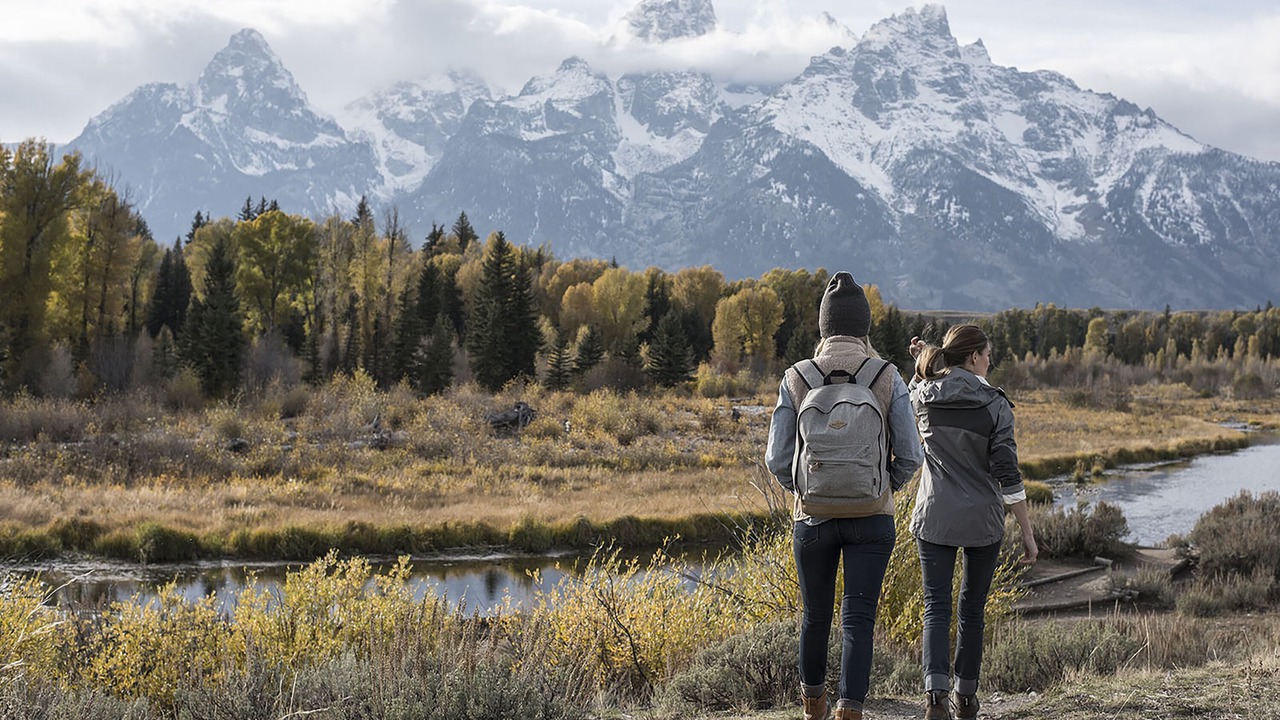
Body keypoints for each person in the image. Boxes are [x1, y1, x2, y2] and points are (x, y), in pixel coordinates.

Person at [766, 272, 924, 720]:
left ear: (823, 326)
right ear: (864, 328)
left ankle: (812, 708)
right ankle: (849, 710)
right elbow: (911, 454)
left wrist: (803, 492)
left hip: (811, 519)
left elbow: (777, 459)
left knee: (815, 616)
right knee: (858, 620)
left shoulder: (797, 377)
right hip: (872, 519)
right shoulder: (887, 375)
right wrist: (881, 487)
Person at [906, 325, 1038, 720]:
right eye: (987, 355)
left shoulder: (924, 398)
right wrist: (1028, 533)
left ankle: (934, 700)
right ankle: (965, 698)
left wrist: (922, 361)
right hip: (983, 521)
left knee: (936, 607)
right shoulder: (995, 404)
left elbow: (912, 389)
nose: (990, 361)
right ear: (973, 358)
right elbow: (1008, 475)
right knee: (972, 609)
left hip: (934, 516)